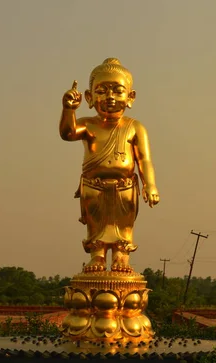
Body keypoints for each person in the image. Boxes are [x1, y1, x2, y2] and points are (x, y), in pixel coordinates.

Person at [59, 58, 160, 273]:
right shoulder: (88, 124)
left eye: (117, 91)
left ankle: (121, 256)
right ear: (89, 97)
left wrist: (150, 185)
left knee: (124, 225)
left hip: (125, 187)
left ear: (131, 97)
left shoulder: (135, 127)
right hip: (93, 186)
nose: (110, 97)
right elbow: (67, 134)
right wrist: (69, 110)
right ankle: (97, 255)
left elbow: (145, 160)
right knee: (95, 224)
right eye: (102, 91)